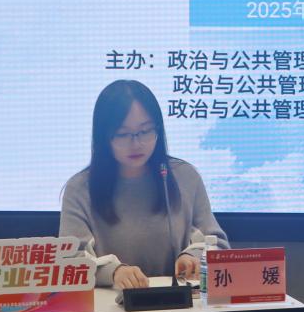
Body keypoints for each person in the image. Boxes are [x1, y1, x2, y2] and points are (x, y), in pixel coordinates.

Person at [60, 79, 228, 289]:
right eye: (123, 134)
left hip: (178, 306)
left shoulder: (184, 177)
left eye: (146, 131)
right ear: (103, 137)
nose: (136, 143)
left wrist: (193, 257)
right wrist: (114, 272)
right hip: (111, 306)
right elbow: (71, 259)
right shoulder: (79, 189)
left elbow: (217, 243)